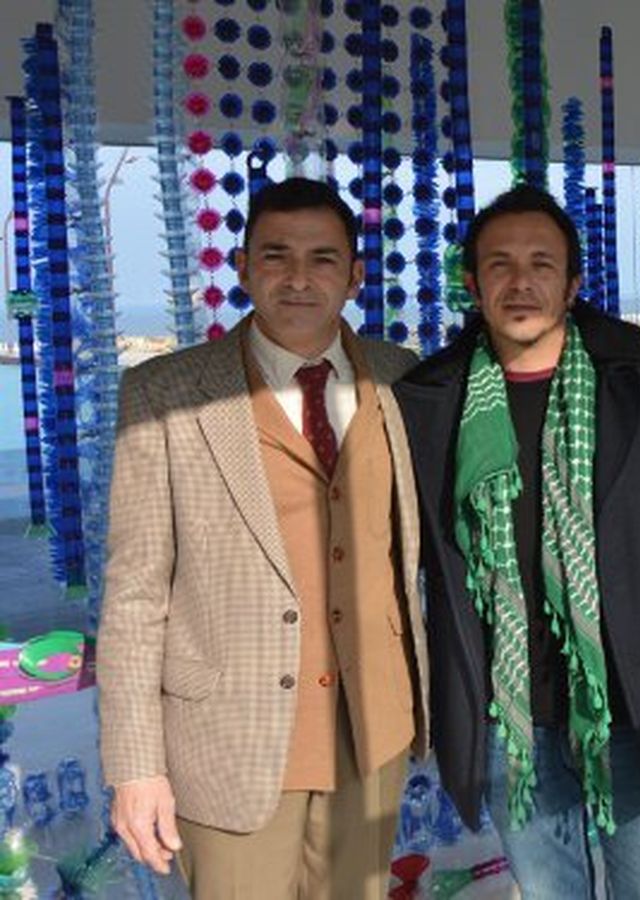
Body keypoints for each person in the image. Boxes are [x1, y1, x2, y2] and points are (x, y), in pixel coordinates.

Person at [99, 177, 428, 899]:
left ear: (355, 275)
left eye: (322, 258)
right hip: (230, 744)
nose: (298, 278)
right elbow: (134, 594)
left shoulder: (403, 380)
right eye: (276, 256)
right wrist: (134, 765)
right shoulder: (164, 393)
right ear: (243, 267)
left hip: (372, 734)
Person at [393, 185, 640, 899]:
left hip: (629, 707)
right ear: (472, 283)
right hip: (509, 717)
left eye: (541, 264)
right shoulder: (429, 401)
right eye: (500, 264)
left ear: (574, 283)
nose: (520, 282)